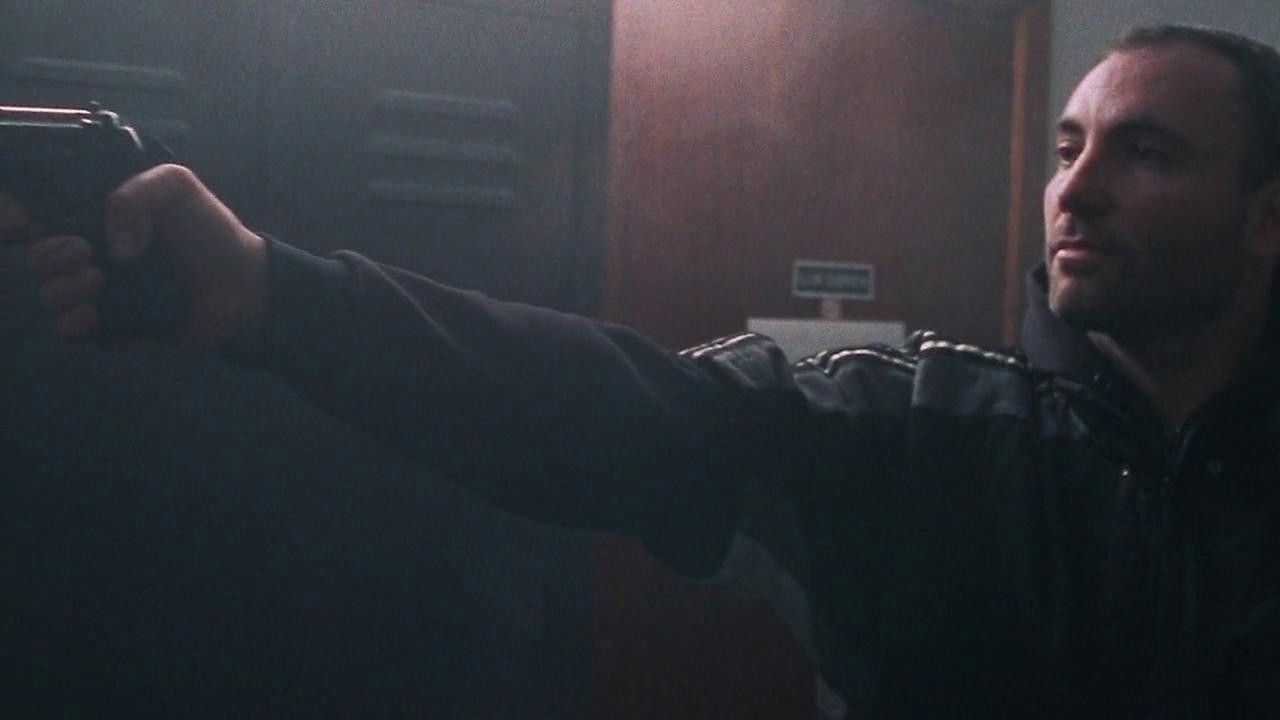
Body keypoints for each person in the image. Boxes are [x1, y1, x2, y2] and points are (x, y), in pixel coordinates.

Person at [13, 23, 1280, 717]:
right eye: (1065, 147)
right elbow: (605, 405)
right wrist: (272, 295)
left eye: (1145, 153)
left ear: (1263, 216)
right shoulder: (922, 431)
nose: (1075, 189)